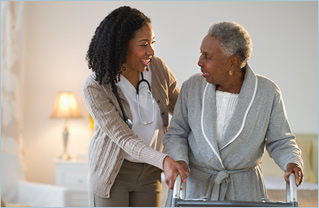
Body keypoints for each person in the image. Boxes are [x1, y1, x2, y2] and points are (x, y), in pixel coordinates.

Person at [163, 21, 303, 204]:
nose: (199, 62)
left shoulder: (267, 93)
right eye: (201, 54)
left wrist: (292, 161)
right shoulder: (192, 87)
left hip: (243, 190)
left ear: (232, 62)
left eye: (208, 57)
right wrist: (179, 159)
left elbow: (281, 140)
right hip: (195, 187)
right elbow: (176, 133)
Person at [82, 6, 188, 207]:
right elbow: (124, 138)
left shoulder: (157, 69)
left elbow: (185, 113)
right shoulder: (95, 87)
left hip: (150, 172)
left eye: (152, 42)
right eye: (144, 44)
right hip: (113, 173)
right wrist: (164, 160)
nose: (151, 51)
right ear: (121, 47)